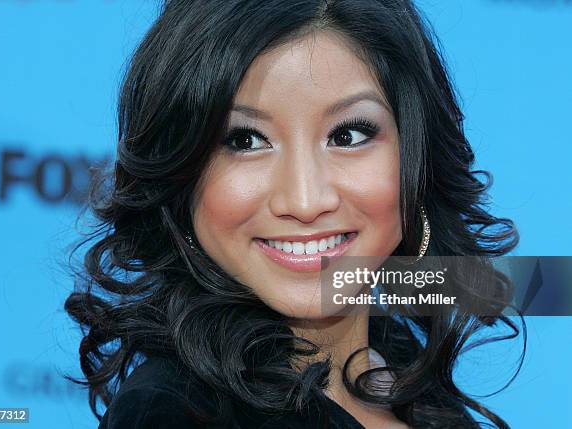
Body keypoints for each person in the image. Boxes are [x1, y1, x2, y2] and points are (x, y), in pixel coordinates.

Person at [64, 0, 524, 428]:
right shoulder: (175, 410)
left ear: (417, 155)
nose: (304, 202)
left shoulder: (406, 378)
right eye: (245, 141)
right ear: (180, 177)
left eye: (348, 135)